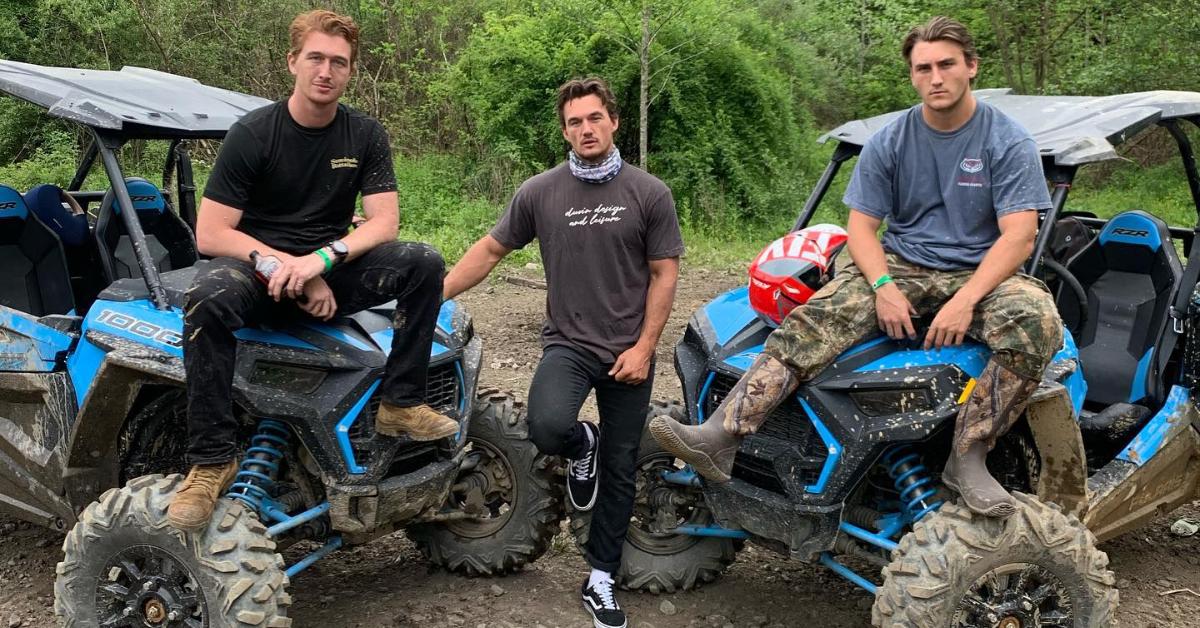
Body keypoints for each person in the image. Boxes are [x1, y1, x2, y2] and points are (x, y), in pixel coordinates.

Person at [650, 16, 1061, 519]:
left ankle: (969, 455)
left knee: (1037, 321)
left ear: (971, 67)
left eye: (947, 65)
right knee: (813, 315)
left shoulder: (1007, 141)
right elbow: (862, 228)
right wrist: (884, 286)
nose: (936, 77)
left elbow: (1019, 234)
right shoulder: (893, 139)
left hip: (980, 272)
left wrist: (965, 300)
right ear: (912, 75)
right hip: (902, 262)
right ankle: (723, 432)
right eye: (923, 67)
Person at [167, 9, 456, 532]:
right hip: (257, 273)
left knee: (424, 263)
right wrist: (276, 263)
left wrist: (322, 262)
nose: (326, 71)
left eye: (339, 63)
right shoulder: (253, 134)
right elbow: (210, 233)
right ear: (293, 62)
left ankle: (400, 402)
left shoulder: (364, 135)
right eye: (316, 58)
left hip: (325, 265)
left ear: (350, 72)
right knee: (207, 295)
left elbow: (384, 222)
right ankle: (210, 461)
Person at [442, 77, 683, 628]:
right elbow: (491, 249)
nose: (586, 129)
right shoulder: (540, 192)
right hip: (569, 344)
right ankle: (582, 442)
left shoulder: (649, 193)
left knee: (622, 468)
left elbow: (664, 274)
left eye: (594, 118)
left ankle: (600, 578)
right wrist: (438, 292)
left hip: (629, 350)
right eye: (575, 122)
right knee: (547, 426)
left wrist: (646, 347)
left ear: (613, 121)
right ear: (564, 130)